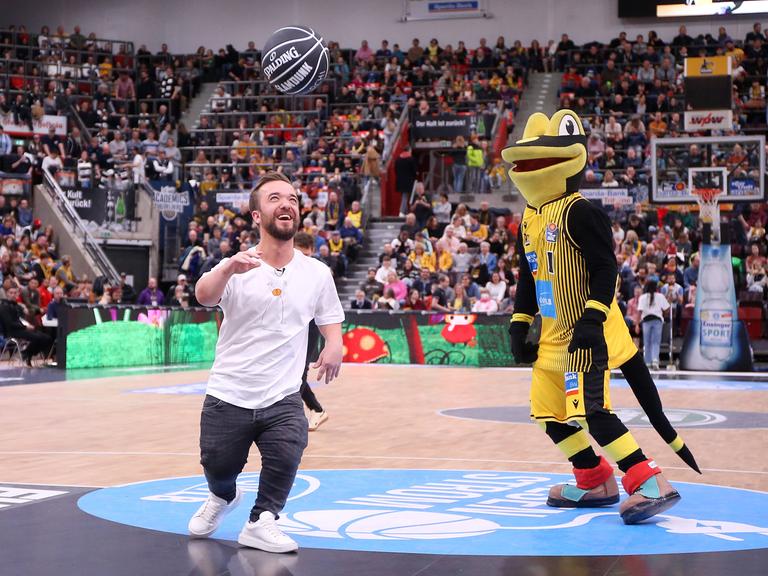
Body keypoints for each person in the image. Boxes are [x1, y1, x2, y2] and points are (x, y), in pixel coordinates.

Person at [188, 172, 344, 553]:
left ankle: (262, 521)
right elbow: (203, 297)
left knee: (289, 449)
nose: (286, 204)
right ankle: (223, 497)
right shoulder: (237, 264)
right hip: (229, 391)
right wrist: (226, 269)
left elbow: (329, 316)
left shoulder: (316, 272)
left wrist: (335, 343)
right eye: (274, 198)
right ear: (257, 215)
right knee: (218, 466)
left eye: (291, 198)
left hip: (283, 394)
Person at [294, 231, 332, 432]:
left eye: (307, 256)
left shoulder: (319, 273)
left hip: (310, 325)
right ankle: (316, 410)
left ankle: (308, 411)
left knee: (299, 373)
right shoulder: (287, 270)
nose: (303, 260)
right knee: (293, 373)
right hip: (292, 325)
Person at [0, 285, 53, 366]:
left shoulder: (17, 305)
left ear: (17, 294)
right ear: (7, 294)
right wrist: (25, 327)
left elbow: (24, 317)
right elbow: (9, 323)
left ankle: (27, 353)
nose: (13, 295)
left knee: (47, 338)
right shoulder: (3, 306)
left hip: (21, 328)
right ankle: (27, 354)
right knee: (37, 338)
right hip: (12, 331)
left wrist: (32, 314)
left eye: (15, 293)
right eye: (11, 293)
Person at [638, 279, 670, 370]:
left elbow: (640, 311)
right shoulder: (660, 296)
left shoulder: (642, 297)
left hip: (646, 320)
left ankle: (647, 362)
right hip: (657, 320)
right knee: (656, 342)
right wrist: (663, 313)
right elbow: (667, 308)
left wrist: (637, 323)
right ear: (656, 288)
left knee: (647, 342)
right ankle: (655, 360)